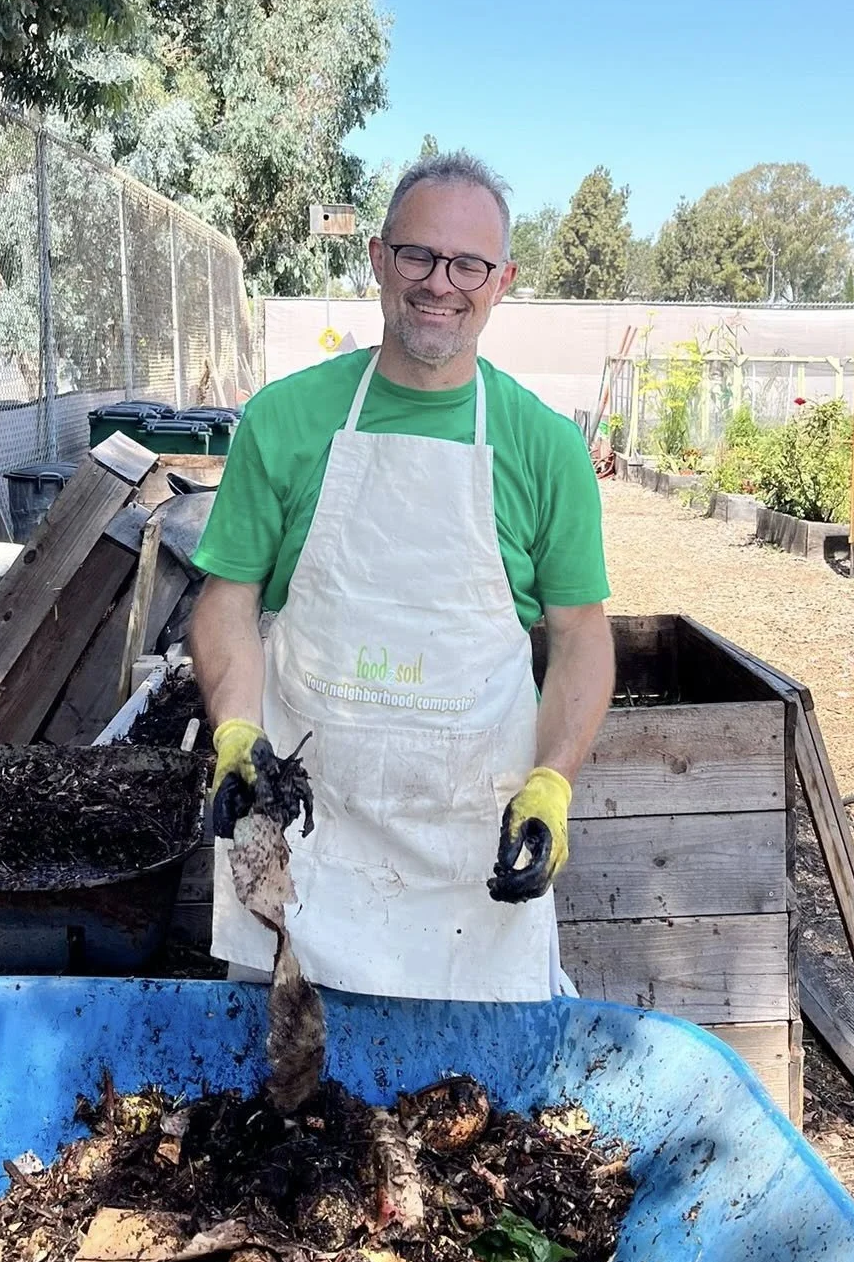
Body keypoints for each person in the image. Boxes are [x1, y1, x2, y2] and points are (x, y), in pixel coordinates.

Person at [189, 150, 615, 1002]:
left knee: (475, 1118)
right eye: (418, 255)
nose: (440, 284)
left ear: (502, 281)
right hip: (307, 848)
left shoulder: (545, 448)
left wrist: (553, 781)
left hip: (470, 862)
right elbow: (226, 604)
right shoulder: (286, 419)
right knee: (282, 1102)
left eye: (468, 264)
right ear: (379, 260)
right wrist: (236, 732)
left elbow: (579, 640)